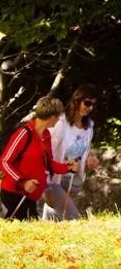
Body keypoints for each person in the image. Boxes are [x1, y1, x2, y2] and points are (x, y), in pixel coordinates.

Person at [0, 96, 76, 220]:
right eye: (58, 118)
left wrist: (67, 167)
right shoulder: (24, 133)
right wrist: (23, 182)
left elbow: (49, 164)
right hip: (13, 194)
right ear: (52, 118)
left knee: (31, 234)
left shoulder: (46, 135)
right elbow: (5, 162)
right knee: (16, 233)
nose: (58, 121)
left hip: (30, 196)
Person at [43, 85, 100, 221]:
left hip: (74, 179)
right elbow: (45, 146)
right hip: (56, 178)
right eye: (87, 103)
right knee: (71, 217)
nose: (90, 107)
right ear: (76, 100)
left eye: (93, 105)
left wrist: (90, 157)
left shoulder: (89, 126)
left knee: (57, 217)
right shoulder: (60, 122)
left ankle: (44, 234)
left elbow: (86, 147)